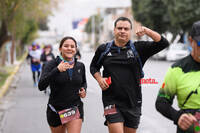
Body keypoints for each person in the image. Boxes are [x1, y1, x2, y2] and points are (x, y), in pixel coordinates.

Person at [90, 16, 169, 133]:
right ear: (114, 30)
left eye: (126, 29)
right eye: (119, 28)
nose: (122, 31)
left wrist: (147, 31)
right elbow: (93, 67)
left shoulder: (139, 48)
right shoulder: (104, 49)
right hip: (111, 102)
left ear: (130, 31)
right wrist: (99, 79)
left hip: (133, 103)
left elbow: (163, 43)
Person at [155, 21, 200, 133]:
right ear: (191, 41)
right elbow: (161, 102)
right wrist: (177, 116)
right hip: (191, 127)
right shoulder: (177, 69)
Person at [38, 36, 87, 133]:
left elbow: (83, 83)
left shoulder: (80, 66)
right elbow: (41, 86)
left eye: (72, 46)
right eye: (66, 46)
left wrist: (83, 90)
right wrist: (57, 70)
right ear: (60, 48)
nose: (69, 48)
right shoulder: (51, 64)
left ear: (76, 49)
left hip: (74, 108)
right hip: (56, 110)